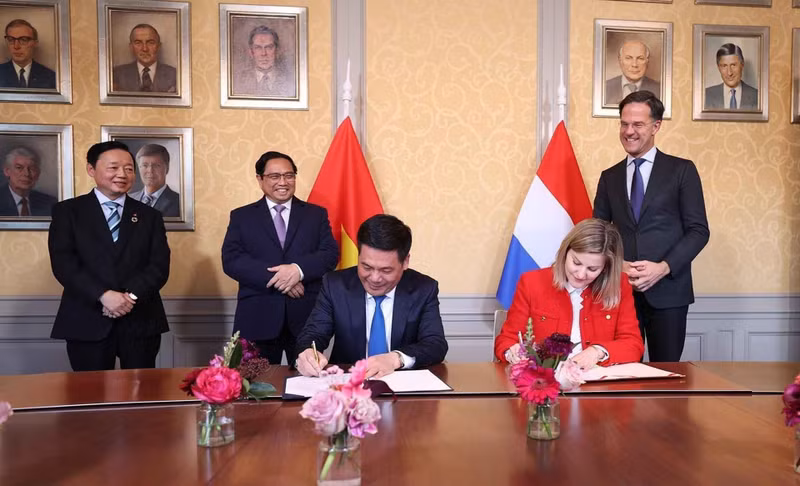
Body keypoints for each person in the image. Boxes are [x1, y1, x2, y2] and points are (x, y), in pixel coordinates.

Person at [593, 91, 710, 362]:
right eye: (624, 124)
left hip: (669, 292)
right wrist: (617, 264)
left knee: (665, 378)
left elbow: (699, 231)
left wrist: (663, 267)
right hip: (619, 292)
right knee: (619, 373)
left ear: (656, 126)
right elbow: (597, 233)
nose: (629, 131)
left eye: (638, 124)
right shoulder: (609, 177)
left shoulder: (682, 170)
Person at [48, 141, 170, 371]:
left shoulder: (149, 215)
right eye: (113, 168)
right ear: (91, 170)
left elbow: (159, 266)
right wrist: (103, 295)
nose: (122, 174)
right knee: (89, 398)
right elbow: (64, 263)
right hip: (86, 318)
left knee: (141, 395)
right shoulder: (68, 212)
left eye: (128, 168)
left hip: (140, 319)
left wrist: (129, 297)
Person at [295, 214, 449, 378]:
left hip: (402, 387)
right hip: (348, 388)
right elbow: (313, 335)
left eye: (386, 270)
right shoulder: (335, 285)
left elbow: (435, 344)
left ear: (405, 262)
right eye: (366, 267)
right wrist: (308, 354)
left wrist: (395, 358)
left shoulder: (424, 288)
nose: (374, 278)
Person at [222, 151, 338, 366]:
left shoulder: (315, 214)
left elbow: (330, 254)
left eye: (289, 175)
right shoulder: (242, 216)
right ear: (260, 179)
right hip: (258, 317)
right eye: (275, 176)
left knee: (308, 386)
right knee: (254, 389)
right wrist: (284, 279)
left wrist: (298, 270)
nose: (283, 182)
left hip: (305, 318)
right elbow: (232, 260)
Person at [495, 219, 644, 368]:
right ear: (565, 253)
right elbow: (507, 340)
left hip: (597, 385)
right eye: (576, 263)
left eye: (592, 269)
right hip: (544, 383)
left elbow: (633, 345)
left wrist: (597, 351)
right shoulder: (531, 282)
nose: (580, 274)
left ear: (606, 268)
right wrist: (511, 351)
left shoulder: (619, 285)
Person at [232, 25, 295, 98]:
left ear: (277, 50)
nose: (264, 53)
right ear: (251, 52)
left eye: (269, 47)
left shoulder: (290, 79)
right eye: (258, 48)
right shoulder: (239, 80)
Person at [112, 24, 177, 93]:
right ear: (131, 47)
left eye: (150, 43)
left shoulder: (174, 75)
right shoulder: (117, 74)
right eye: (138, 43)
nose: (145, 49)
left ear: (158, 46)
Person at [0, 19, 56, 89]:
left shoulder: (51, 78)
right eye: (11, 40)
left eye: (23, 40)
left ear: (35, 43)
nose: (16, 46)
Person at [0, 146, 56, 216]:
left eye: (32, 168)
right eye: (19, 168)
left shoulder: (50, 203)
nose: (26, 174)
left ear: (38, 173)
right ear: (7, 171)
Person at [128, 144, 180, 217]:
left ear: (167, 168)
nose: (150, 170)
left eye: (156, 165)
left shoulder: (180, 202)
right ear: (138, 168)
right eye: (145, 165)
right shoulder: (128, 199)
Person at [605, 40, 661, 105]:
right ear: (620, 61)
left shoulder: (660, 90)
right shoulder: (605, 87)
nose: (634, 64)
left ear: (647, 62)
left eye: (640, 58)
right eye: (628, 58)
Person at [704, 43, 758, 110]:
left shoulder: (757, 96)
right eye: (724, 66)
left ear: (742, 65)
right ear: (718, 68)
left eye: (733, 65)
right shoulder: (706, 95)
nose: (729, 73)